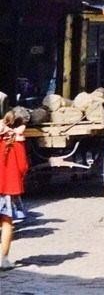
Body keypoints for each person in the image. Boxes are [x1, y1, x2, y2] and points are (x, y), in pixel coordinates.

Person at [0, 111, 29, 270]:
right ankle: (3, 259)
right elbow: (23, 166)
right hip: (7, 187)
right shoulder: (16, 141)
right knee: (6, 223)